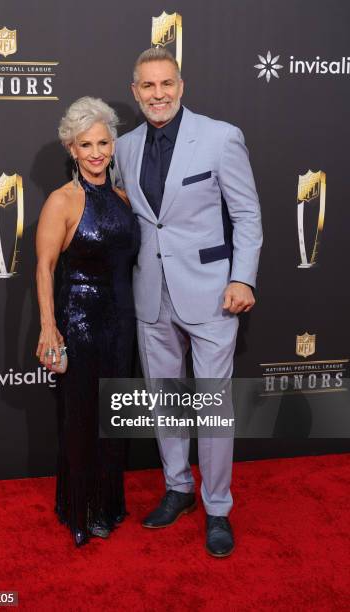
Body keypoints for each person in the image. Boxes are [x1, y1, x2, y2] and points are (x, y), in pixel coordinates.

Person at [115, 48, 262, 557]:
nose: (158, 94)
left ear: (181, 86)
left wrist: (243, 279)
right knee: (166, 399)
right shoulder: (124, 147)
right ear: (135, 92)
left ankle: (217, 507)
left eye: (167, 84)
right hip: (150, 295)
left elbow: (247, 216)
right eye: (148, 86)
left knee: (214, 406)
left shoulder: (221, 138)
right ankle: (178, 488)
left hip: (212, 295)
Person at [36, 97, 139, 547]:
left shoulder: (121, 197)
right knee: (81, 417)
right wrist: (48, 326)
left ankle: (107, 505)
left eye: (102, 142)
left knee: (113, 416)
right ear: (71, 149)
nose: (96, 152)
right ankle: (80, 507)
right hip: (79, 320)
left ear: (112, 145)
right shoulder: (63, 201)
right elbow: (44, 268)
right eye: (85, 144)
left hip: (122, 322)